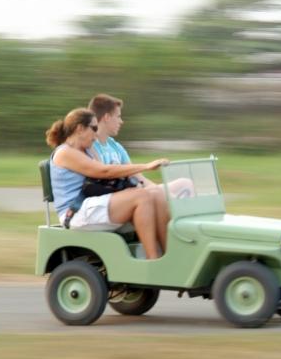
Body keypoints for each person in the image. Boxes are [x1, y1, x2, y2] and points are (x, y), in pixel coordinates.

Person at [45, 107, 168, 260]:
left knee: (154, 195)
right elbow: (104, 172)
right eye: (94, 128)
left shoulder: (88, 150)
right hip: (75, 212)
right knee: (142, 197)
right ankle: (154, 259)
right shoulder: (65, 152)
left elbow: (107, 176)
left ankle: (168, 254)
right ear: (80, 129)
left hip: (90, 204)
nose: (96, 135)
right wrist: (146, 166)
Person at [88, 94, 194, 251]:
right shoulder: (90, 145)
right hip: (115, 200)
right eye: (118, 117)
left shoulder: (115, 147)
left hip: (134, 191)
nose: (121, 121)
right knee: (155, 195)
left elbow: (139, 178)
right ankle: (171, 248)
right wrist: (157, 194)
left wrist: (158, 191)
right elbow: (102, 175)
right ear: (107, 117)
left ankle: (187, 233)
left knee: (185, 184)